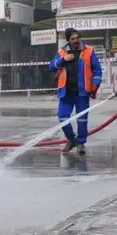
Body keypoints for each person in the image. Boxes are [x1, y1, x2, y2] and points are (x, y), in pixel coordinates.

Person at [47, 28, 103, 156]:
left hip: (82, 93)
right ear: (68, 40)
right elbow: (51, 67)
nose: (76, 41)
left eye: (78, 38)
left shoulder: (89, 51)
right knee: (63, 117)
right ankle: (71, 140)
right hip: (66, 93)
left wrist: (95, 85)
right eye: (73, 39)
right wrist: (63, 60)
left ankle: (81, 143)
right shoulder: (62, 52)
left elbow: (97, 70)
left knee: (82, 120)